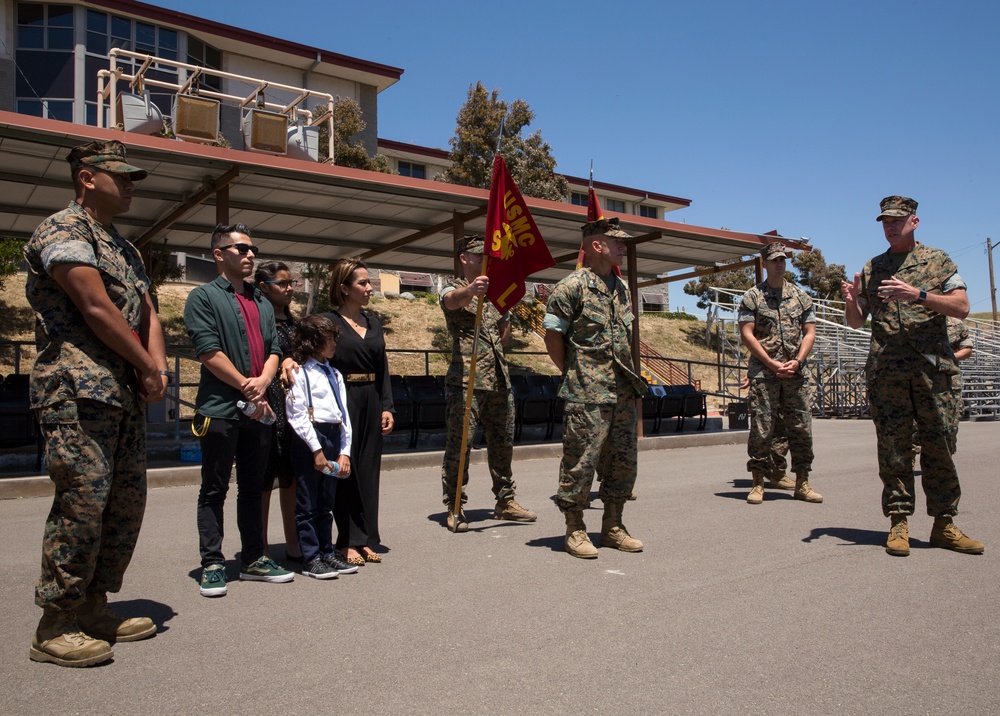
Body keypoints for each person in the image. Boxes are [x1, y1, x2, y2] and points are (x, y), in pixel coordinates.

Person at [24, 140, 167, 667]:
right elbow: (93, 305)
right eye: (121, 176)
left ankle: (93, 606)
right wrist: (147, 366)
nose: (130, 185)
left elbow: (146, 310)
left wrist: (157, 367)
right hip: (77, 388)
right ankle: (54, 623)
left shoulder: (123, 248)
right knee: (84, 501)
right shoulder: (64, 230)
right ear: (87, 177)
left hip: (120, 392)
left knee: (124, 504)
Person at [841, 195, 983, 557]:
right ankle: (899, 523)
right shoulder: (873, 267)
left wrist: (918, 294)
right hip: (888, 376)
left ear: (914, 222)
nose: (890, 226)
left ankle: (944, 525)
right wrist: (852, 300)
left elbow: (962, 307)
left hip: (932, 375)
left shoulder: (938, 261)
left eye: (897, 220)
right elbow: (857, 322)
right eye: (885, 221)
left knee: (940, 450)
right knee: (894, 451)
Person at [184, 224, 294, 596]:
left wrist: (263, 381)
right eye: (242, 249)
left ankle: (252, 559)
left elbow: (275, 347)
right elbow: (207, 350)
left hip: (258, 408)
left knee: (252, 486)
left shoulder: (263, 302)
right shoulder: (201, 297)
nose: (250, 256)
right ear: (219, 254)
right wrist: (246, 384)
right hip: (220, 409)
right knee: (214, 489)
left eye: (252, 250)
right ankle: (213, 563)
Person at [543, 218, 647, 559]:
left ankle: (613, 526)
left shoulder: (620, 288)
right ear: (596, 246)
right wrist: (574, 374)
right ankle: (574, 529)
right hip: (586, 391)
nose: (622, 247)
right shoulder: (570, 287)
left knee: (622, 462)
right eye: (616, 242)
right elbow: (553, 337)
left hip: (621, 391)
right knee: (580, 462)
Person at [439, 236, 537, 532]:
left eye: (487, 255)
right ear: (463, 258)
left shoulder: (495, 292)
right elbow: (451, 301)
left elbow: (502, 330)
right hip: (466, 381)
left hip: (498, 378)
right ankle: (455, 505)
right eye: (478, 254)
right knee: (461, 445)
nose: (484, 258)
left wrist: (501, 312)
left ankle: (505, 500)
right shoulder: (451, 286)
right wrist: (471, 290)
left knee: (503, 442)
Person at [321, 259, 394, 565]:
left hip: (373, 397)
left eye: (369, 282)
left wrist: (388, 405)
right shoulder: (327, 322)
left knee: (368, 471)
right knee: (346, 471)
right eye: (362, 283)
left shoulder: (374, 323)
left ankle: (365, 538)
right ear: (343, 288)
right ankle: (346, 541)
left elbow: (383, 368)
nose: (369, 288)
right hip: (343, 398)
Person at [738, 242, 821, 505]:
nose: (779, 264)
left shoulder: (800, 296)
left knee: (800, 428)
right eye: (774, 260)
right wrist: (771, 364)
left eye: (783, 259)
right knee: (762, 429)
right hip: (765, 373)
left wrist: (797, 360)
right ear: (764, 263)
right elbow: (746, 334)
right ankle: (758, 483)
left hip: (796, 373)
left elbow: (810, 331)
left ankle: (803, 482)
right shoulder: (753, 296)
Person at [284, 315, 359, 579]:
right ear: (313, 342)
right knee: (308, 501)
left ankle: (328, 552)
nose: (334, 343)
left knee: (327, 501)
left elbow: (344, 415)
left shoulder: (335, 373)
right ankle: (311, 557)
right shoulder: (300, 372)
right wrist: (316, 450)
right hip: (310, 438)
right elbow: (297, 414)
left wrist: (344, 450)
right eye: (329, 339)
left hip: (333, 436)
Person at [255, 261, 301, 563]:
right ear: (263, 287)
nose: (289, 288)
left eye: (291, 282)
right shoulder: (258, 319)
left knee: (292, 475)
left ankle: (294, 543)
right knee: (264, 477)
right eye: (281, 283)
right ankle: (260, 546)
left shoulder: (296, 322)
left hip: (294, 406)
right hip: (267, 403)